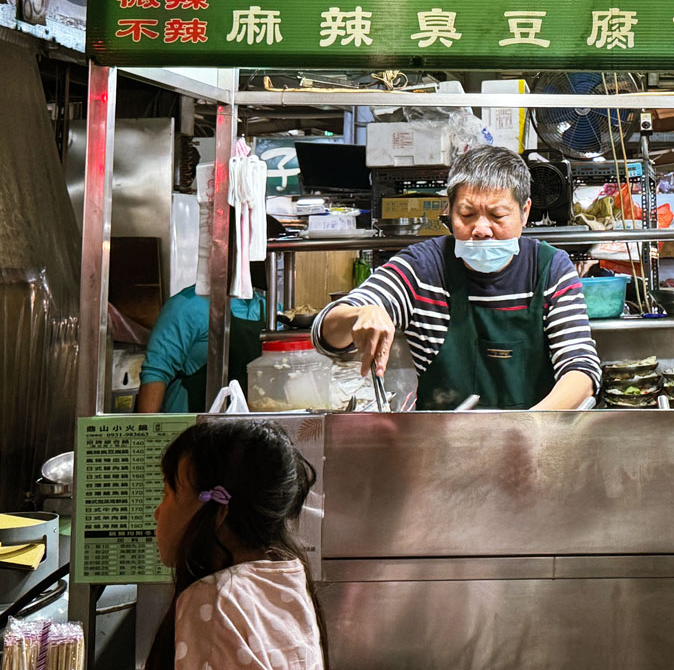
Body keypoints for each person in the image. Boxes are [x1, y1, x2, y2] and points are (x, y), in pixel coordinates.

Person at [313, 145, 601, 410]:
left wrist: (528, 427)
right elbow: (326, 334)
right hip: (440, 448)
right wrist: (359, 315)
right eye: (467, 214)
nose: (481, 229)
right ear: (449, 211)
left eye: (498, 215)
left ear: (524, 212)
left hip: (534, 445)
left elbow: (581, 367)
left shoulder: (550, 268)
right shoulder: (423, 267)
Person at [146, 420, 325, 670]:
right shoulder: (287, 579)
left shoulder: (213, 599)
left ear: (218, 511)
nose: (157, 512)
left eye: (167, 493)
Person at [138, 216, 285, 414]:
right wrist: (149, 440)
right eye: (269, 254)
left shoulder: (269, 309)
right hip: (191, 429)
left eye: (278, 255)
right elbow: (155, 374)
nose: (274, 263)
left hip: (249, 431)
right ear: (239, 253)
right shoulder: (188, 306)